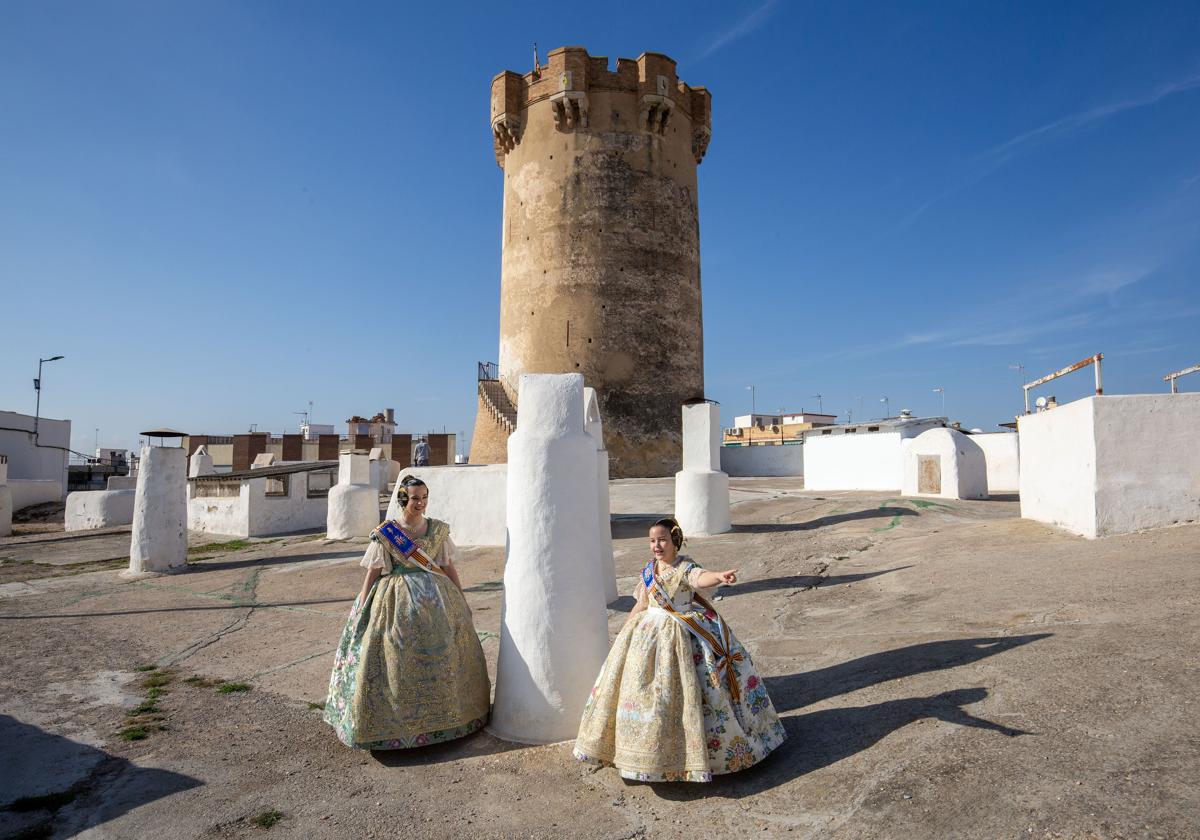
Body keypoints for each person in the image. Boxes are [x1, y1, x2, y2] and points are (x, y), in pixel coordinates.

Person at [573, 517, 786, 782]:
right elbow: (642, 604)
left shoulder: (684, 567)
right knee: (638, 690)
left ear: (675, 541)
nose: (656, 545)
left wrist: (718, 576)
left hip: (681, 633)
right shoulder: (649, 571)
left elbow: (699, 578)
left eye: (661, 539)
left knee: (691, 691)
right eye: (652, 540)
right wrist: (626, 630)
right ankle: (639, 755)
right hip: (646, 635)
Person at [323, 476, 489, 749]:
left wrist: (461, 597)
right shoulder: (388, 533)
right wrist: (363, 608)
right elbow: (373, 573)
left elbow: (447, 567)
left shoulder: (437, 530)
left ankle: (449, 720)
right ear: (402, 499)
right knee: (394, 655)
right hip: (394, 600)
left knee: (445, 651)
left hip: (437, 600)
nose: (420, 503)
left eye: (424, 497)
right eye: (415, 498)